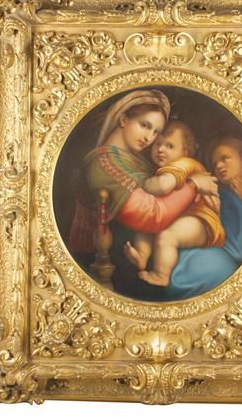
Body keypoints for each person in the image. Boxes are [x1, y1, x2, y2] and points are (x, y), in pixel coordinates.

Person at [67, 90, 219, 298]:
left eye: (156, 132)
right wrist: (193, 185)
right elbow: (152, 215)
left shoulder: (136, 159)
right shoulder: (103, 163)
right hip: (118, 276)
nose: (149, 138)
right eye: (145, 125)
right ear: (123, 119)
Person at [123, 121, 225, 286]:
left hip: (201, 222)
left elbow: (161, 186)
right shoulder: (163, 168)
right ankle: (141, 256)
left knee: (166, 236)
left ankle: (161, 275)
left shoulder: (184, 164)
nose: (161, 149)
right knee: (147, 225)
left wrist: (144, 184)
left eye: (169, 146)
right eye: (158, 144)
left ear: (185, 152)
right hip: (175, 216)